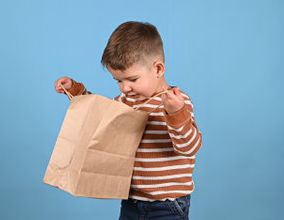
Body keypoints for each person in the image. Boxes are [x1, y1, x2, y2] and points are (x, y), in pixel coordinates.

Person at [54, 21, 202, 220]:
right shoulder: (125, 101)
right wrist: (75, 90)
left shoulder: (176, 102)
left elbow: (189, 147)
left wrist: (176, 113)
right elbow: (98, 113)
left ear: (158, 69)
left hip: (167, 205)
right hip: (131, 201)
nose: (124, 88)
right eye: (118, 81)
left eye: (132, 80)